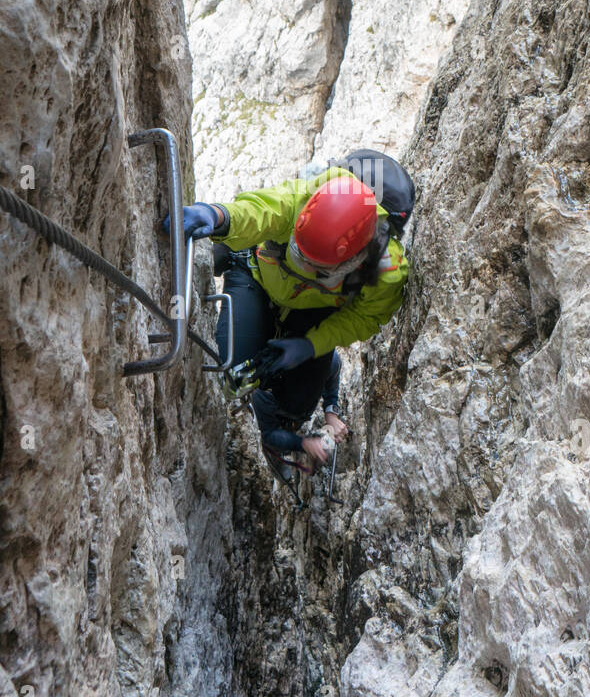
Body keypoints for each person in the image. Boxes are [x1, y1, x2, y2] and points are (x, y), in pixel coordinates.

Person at [168, 166, 409, 482]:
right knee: (234, 372)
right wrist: (217, 216)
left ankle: (292, 402)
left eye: (317, 267)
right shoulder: (301, 203)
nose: (305, 267)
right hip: (256, 276)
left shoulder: (385, 272)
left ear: (355, 261)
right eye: (301, 255)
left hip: (311, 315)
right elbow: (260, 212)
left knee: (298, 403)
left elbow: (365, 318)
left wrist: (311, 345)